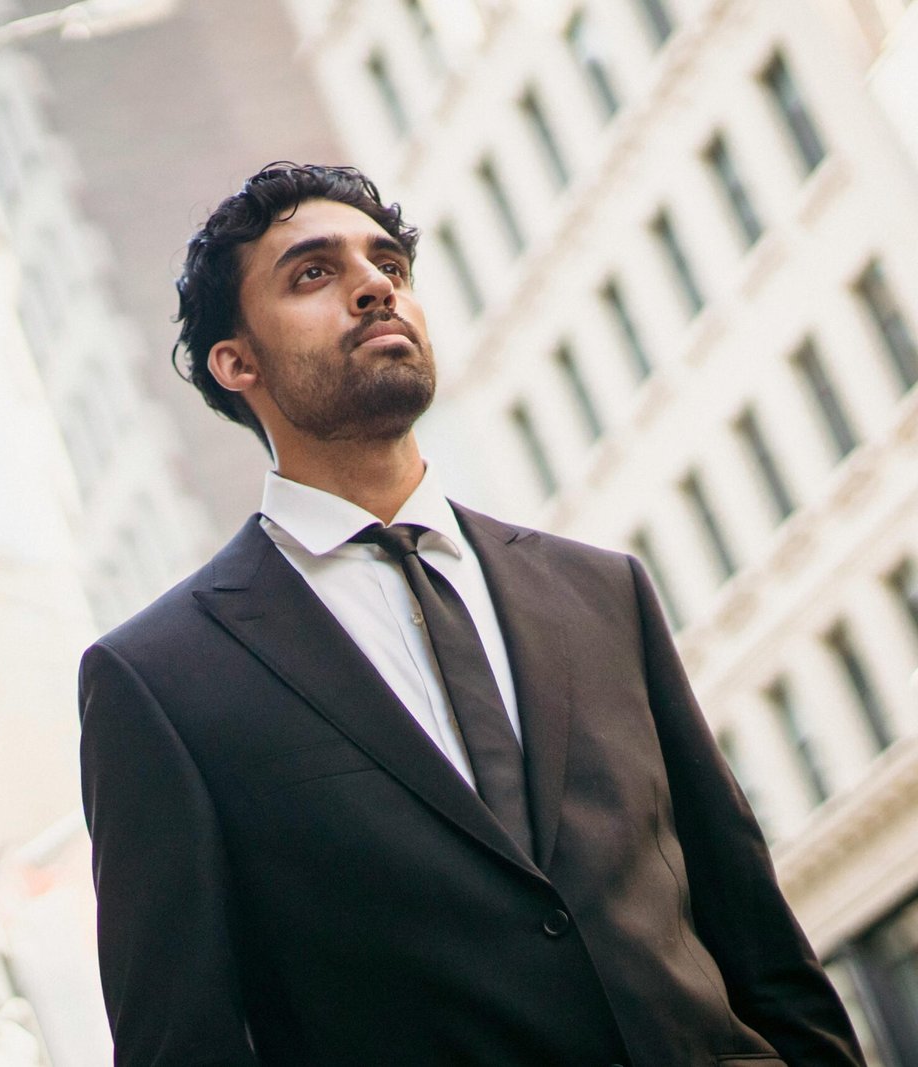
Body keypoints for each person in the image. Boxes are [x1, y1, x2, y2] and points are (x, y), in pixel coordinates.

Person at [77, 163, 864, 1066]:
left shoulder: (602, 592)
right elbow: (182, 1043)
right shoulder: (161, 680)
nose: (375, 287)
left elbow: (758, 937)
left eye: (390, 266)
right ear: (236, 361)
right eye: (313, 273)